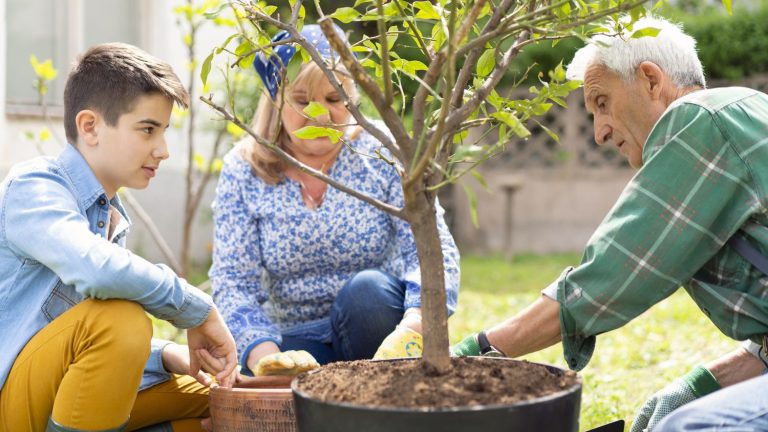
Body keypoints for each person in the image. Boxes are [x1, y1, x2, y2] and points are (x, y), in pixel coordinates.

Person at [450, 15, 768, 432]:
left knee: (689, 428)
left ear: (651, 81)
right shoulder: (745, 106)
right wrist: (704, 383)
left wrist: (476, 351)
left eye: (602, 103)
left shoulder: (697, 120)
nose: (599, 132)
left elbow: (611, 275)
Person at [0, 43, 238, 432]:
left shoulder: (107, 214)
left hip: (59, 395)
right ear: (90, 126)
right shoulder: (35, 187)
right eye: (147, 129)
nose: (162, 150)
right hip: (12, 404)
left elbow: (83, 349)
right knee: (120, 321)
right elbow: (96, 276)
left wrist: (168, 355)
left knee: (222, 402)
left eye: (163, 132)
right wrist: (198, 307)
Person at [209, 24, 460, 376]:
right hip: (293, 340)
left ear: (353, 99)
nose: (321, 114)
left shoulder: (382, 152)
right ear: (276, 99)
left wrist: (414, 327)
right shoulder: (243, 168)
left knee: (367, 294)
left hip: (378, 328)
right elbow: (233, 280)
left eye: (334, 98)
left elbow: (433, 249)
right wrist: (261, 353)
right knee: (281, 380)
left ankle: (382, 384)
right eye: (302, 100)